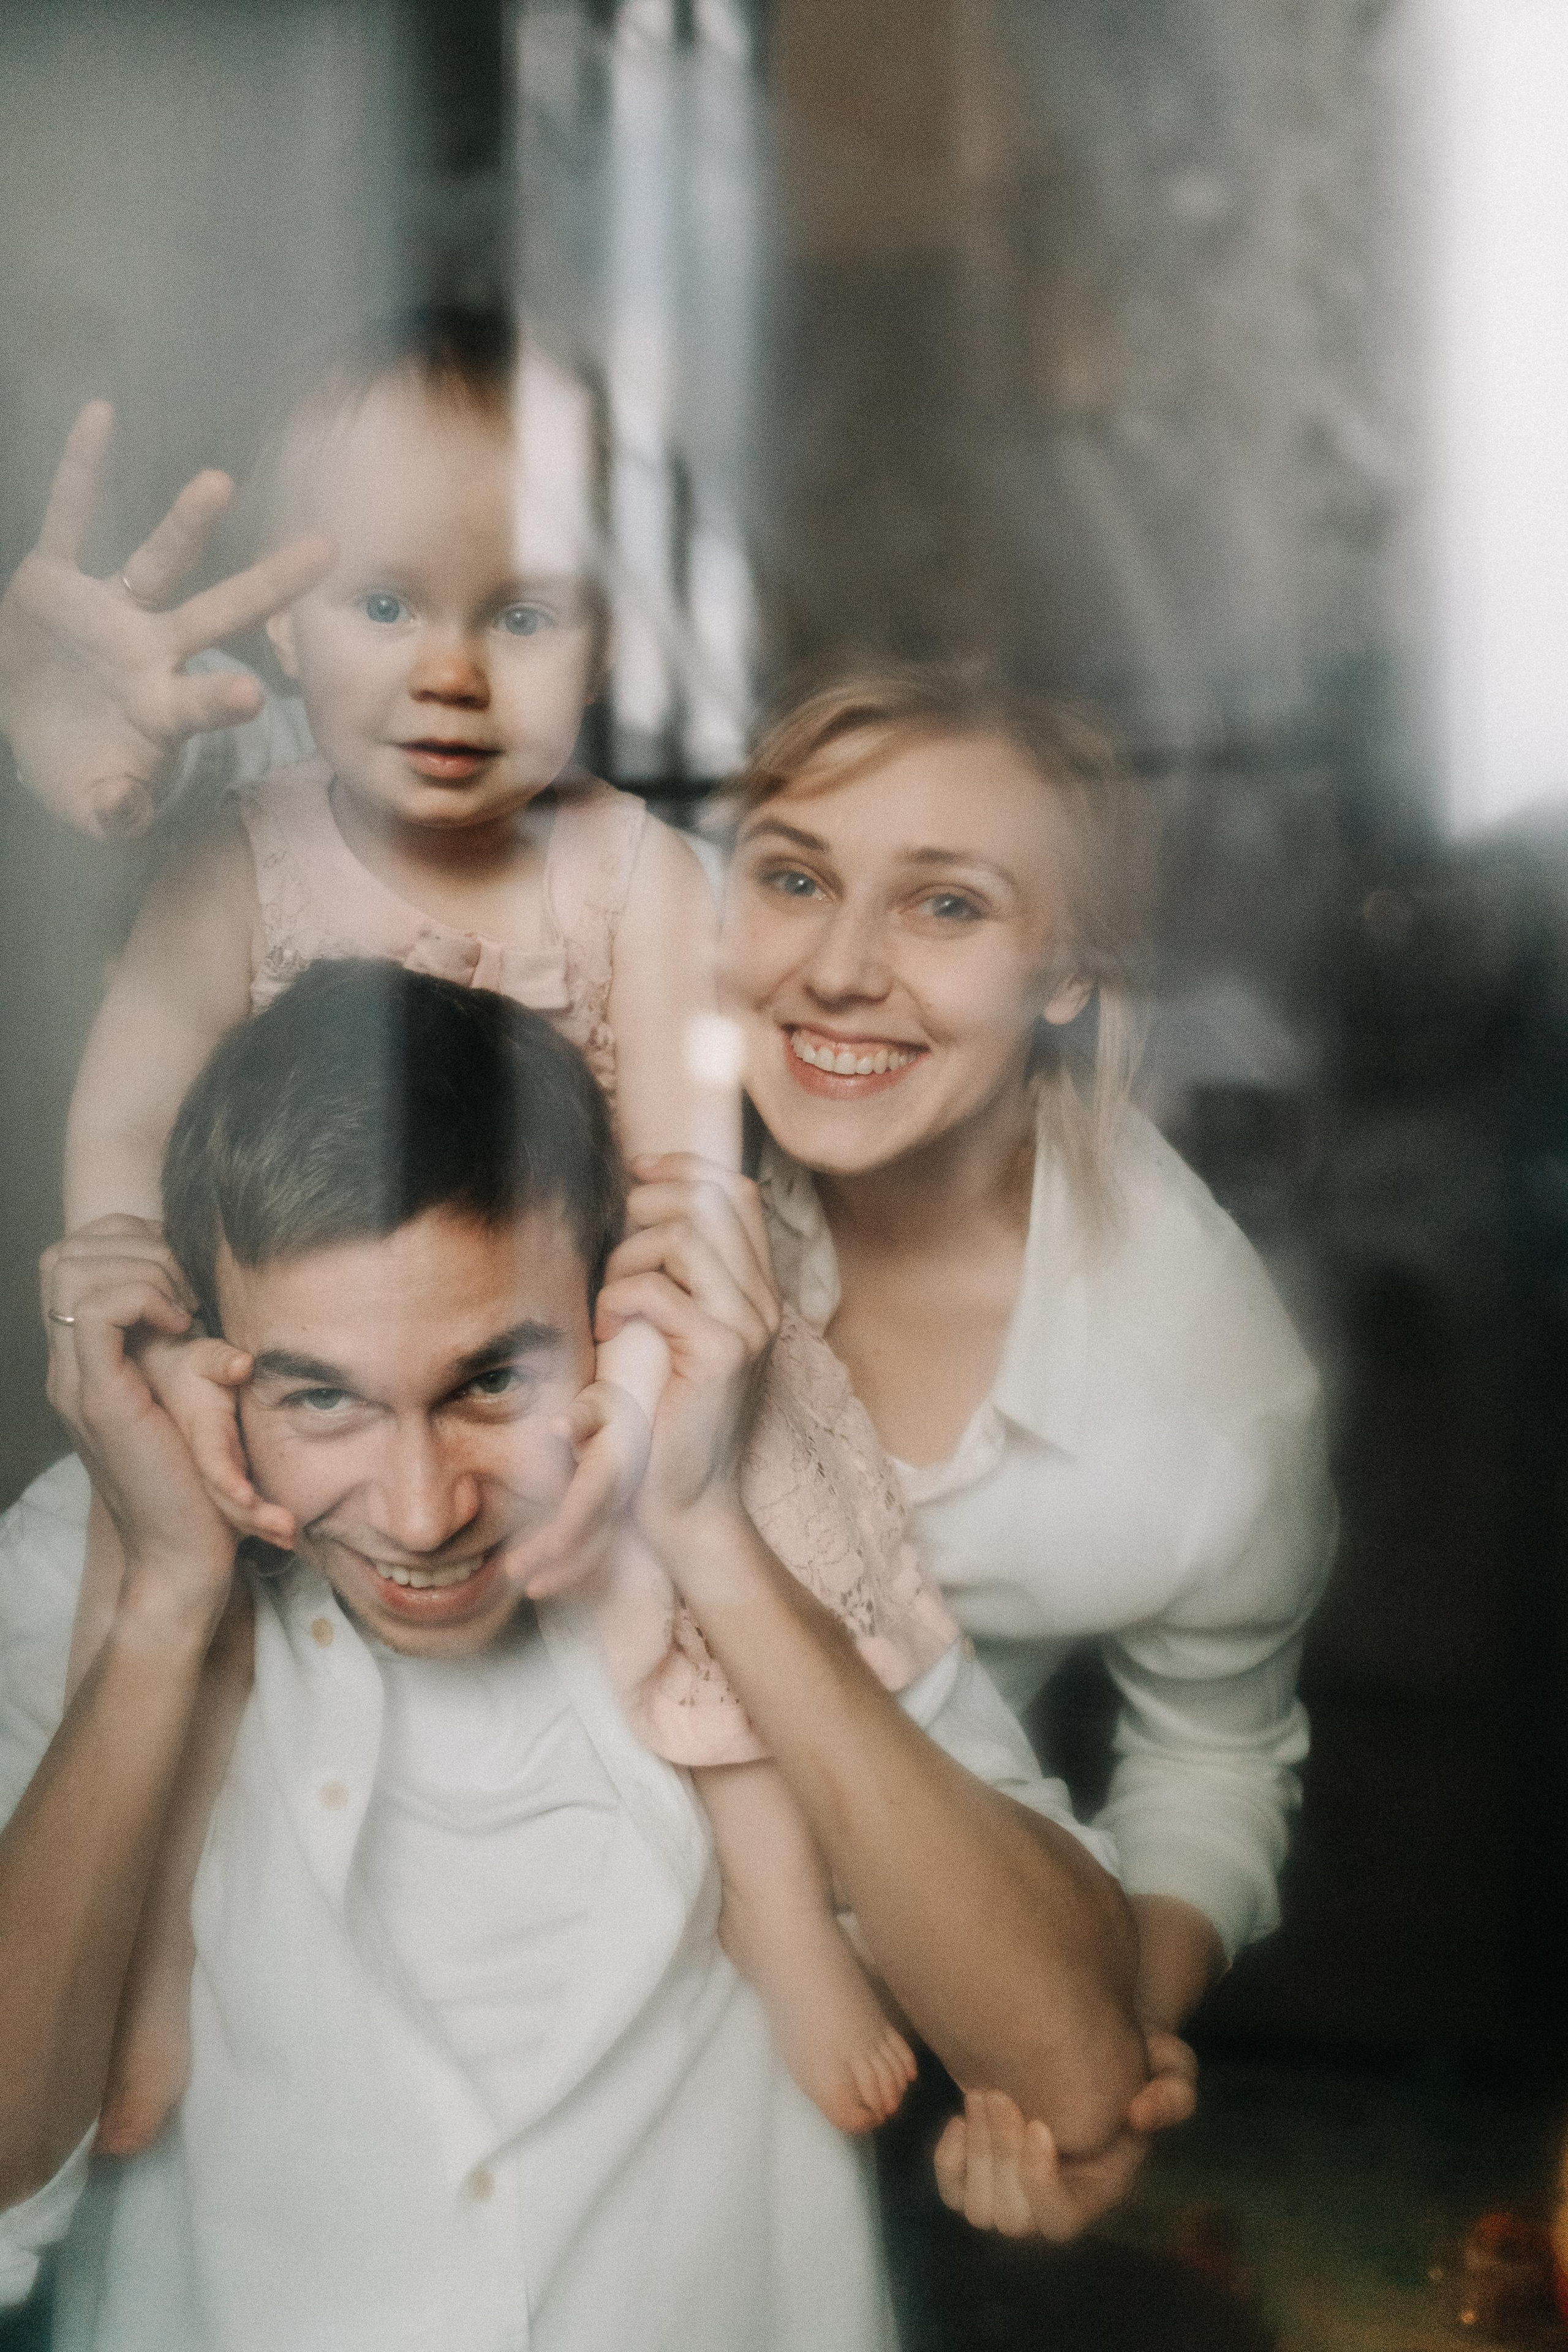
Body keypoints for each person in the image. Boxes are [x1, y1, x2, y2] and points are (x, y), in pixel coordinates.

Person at [50, 307, 964, 2158]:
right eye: (385, 607)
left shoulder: (631, 867)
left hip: (572, 1325)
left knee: (730, 1538)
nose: (451, 675)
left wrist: (635, 1396)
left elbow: (685, 1169)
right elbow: (129, 1111)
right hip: (310, 1359)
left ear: (609, 641)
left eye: (521, 617)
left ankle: (770, 1895)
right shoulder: (240, 858)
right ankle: (146, 1960)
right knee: (142, 1588)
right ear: (283, 629)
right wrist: (128, 1289)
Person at [0, 960, 1153, 2346]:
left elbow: (1073, 2068)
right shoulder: (86, 1562)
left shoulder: (768, 1498)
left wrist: (709, 1532)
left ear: (617, 1316)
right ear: (204, 1355)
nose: (422, 1512)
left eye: (491, 1380)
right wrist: (164, 1606)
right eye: (322, 1398)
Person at [716, 668, 1336, 2077]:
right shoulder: (606, 1147)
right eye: (794, 879)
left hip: (875, 2016)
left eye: (947, 904)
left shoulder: (1204, 1399)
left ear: (1072, 974)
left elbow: (1214, 1758)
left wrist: (1117, 2026)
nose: (837, 968)